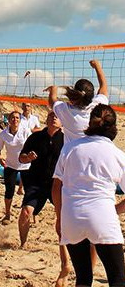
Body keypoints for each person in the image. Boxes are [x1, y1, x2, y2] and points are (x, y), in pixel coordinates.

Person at [52, 104, 125, 287]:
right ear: (114, 126)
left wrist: (59, 217)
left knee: (83, 278)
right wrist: (115, 210)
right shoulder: (117, 154)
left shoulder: (70, 148)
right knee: (117, 278)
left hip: (71, 216)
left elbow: (56, 187)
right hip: (102, 217)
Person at [18, 112, 70, 287]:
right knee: (26, 212)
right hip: (37, 183)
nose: (54, 118)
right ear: (46, 120)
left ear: (62, 121)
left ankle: (67, 251)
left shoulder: (67, 139)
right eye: (51, 116)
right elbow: (21, 157)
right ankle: (23, 243)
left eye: (57, 116)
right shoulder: (36, 137)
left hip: (58, 184)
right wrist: (27, 157)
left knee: (64, 219)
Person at [45, 59, 108, 144]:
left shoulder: (66, 110)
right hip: (93, 152)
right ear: (92, 95)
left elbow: (52, 100)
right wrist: (97, 66)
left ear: (74, 92)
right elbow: (103, 86)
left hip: (72, 154)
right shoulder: (99, 107)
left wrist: (53, 89)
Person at [0, 111, 29, 225]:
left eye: (17, 118)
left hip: (26, 165)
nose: (15, 120)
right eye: (13, 118)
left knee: (29, 192)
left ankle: (31, 215)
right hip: (10, 165)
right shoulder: (3, 134)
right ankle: (8, 214)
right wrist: (0, 161)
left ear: (20, 120)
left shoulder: (25, 131)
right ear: (8, 120)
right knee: (9, 191)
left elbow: (33, 145)